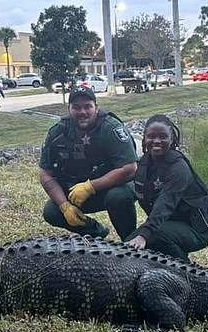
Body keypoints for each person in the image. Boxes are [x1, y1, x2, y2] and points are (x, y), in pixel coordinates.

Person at [39, 85, 137, 240]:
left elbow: (130, 168)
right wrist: (64, 206)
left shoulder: (111, 128)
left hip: (112, 187)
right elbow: (45, 173)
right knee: (52, 211)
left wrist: (91, 186)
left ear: (96, 108)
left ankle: (130, 240)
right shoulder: (57, 132)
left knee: (118, 196)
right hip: (75, 191)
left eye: (87, 107)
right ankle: (96, 232)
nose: (82, 112)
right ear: (69, 109)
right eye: (76, 107)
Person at [125, 114, 208, 260]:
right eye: (151, 136)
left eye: (163, 137)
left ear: (172, 139)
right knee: (129, 242)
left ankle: (187, 272)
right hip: (168, 223)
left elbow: (165, 203)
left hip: (197, 229)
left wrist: (144, 234)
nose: (156, 141)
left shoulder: (179, 168)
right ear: (144, 138)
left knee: (154, 236)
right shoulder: (144, 162)